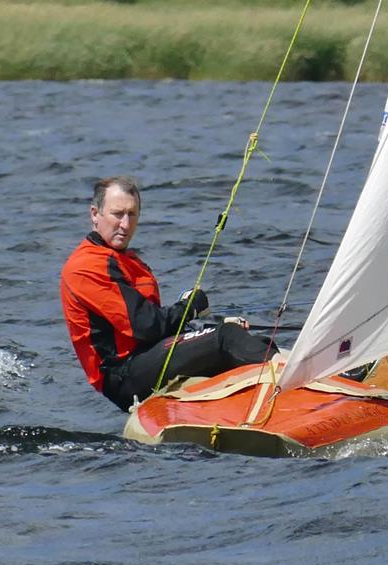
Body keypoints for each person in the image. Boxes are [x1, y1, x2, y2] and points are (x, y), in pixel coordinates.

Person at [61, 175, 278, 411]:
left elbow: (152, 329)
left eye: (132, 214)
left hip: (146, 357)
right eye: (117, 214)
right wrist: (190, 307)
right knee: (226, 337)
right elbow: (146, 325)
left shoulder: (124, 259)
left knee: (248, 339)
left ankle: (276, 397)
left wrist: (205, 328)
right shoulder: (86, 266)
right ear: (95, 214)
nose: (125, 224)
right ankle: (289, 382)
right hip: (123, 375)